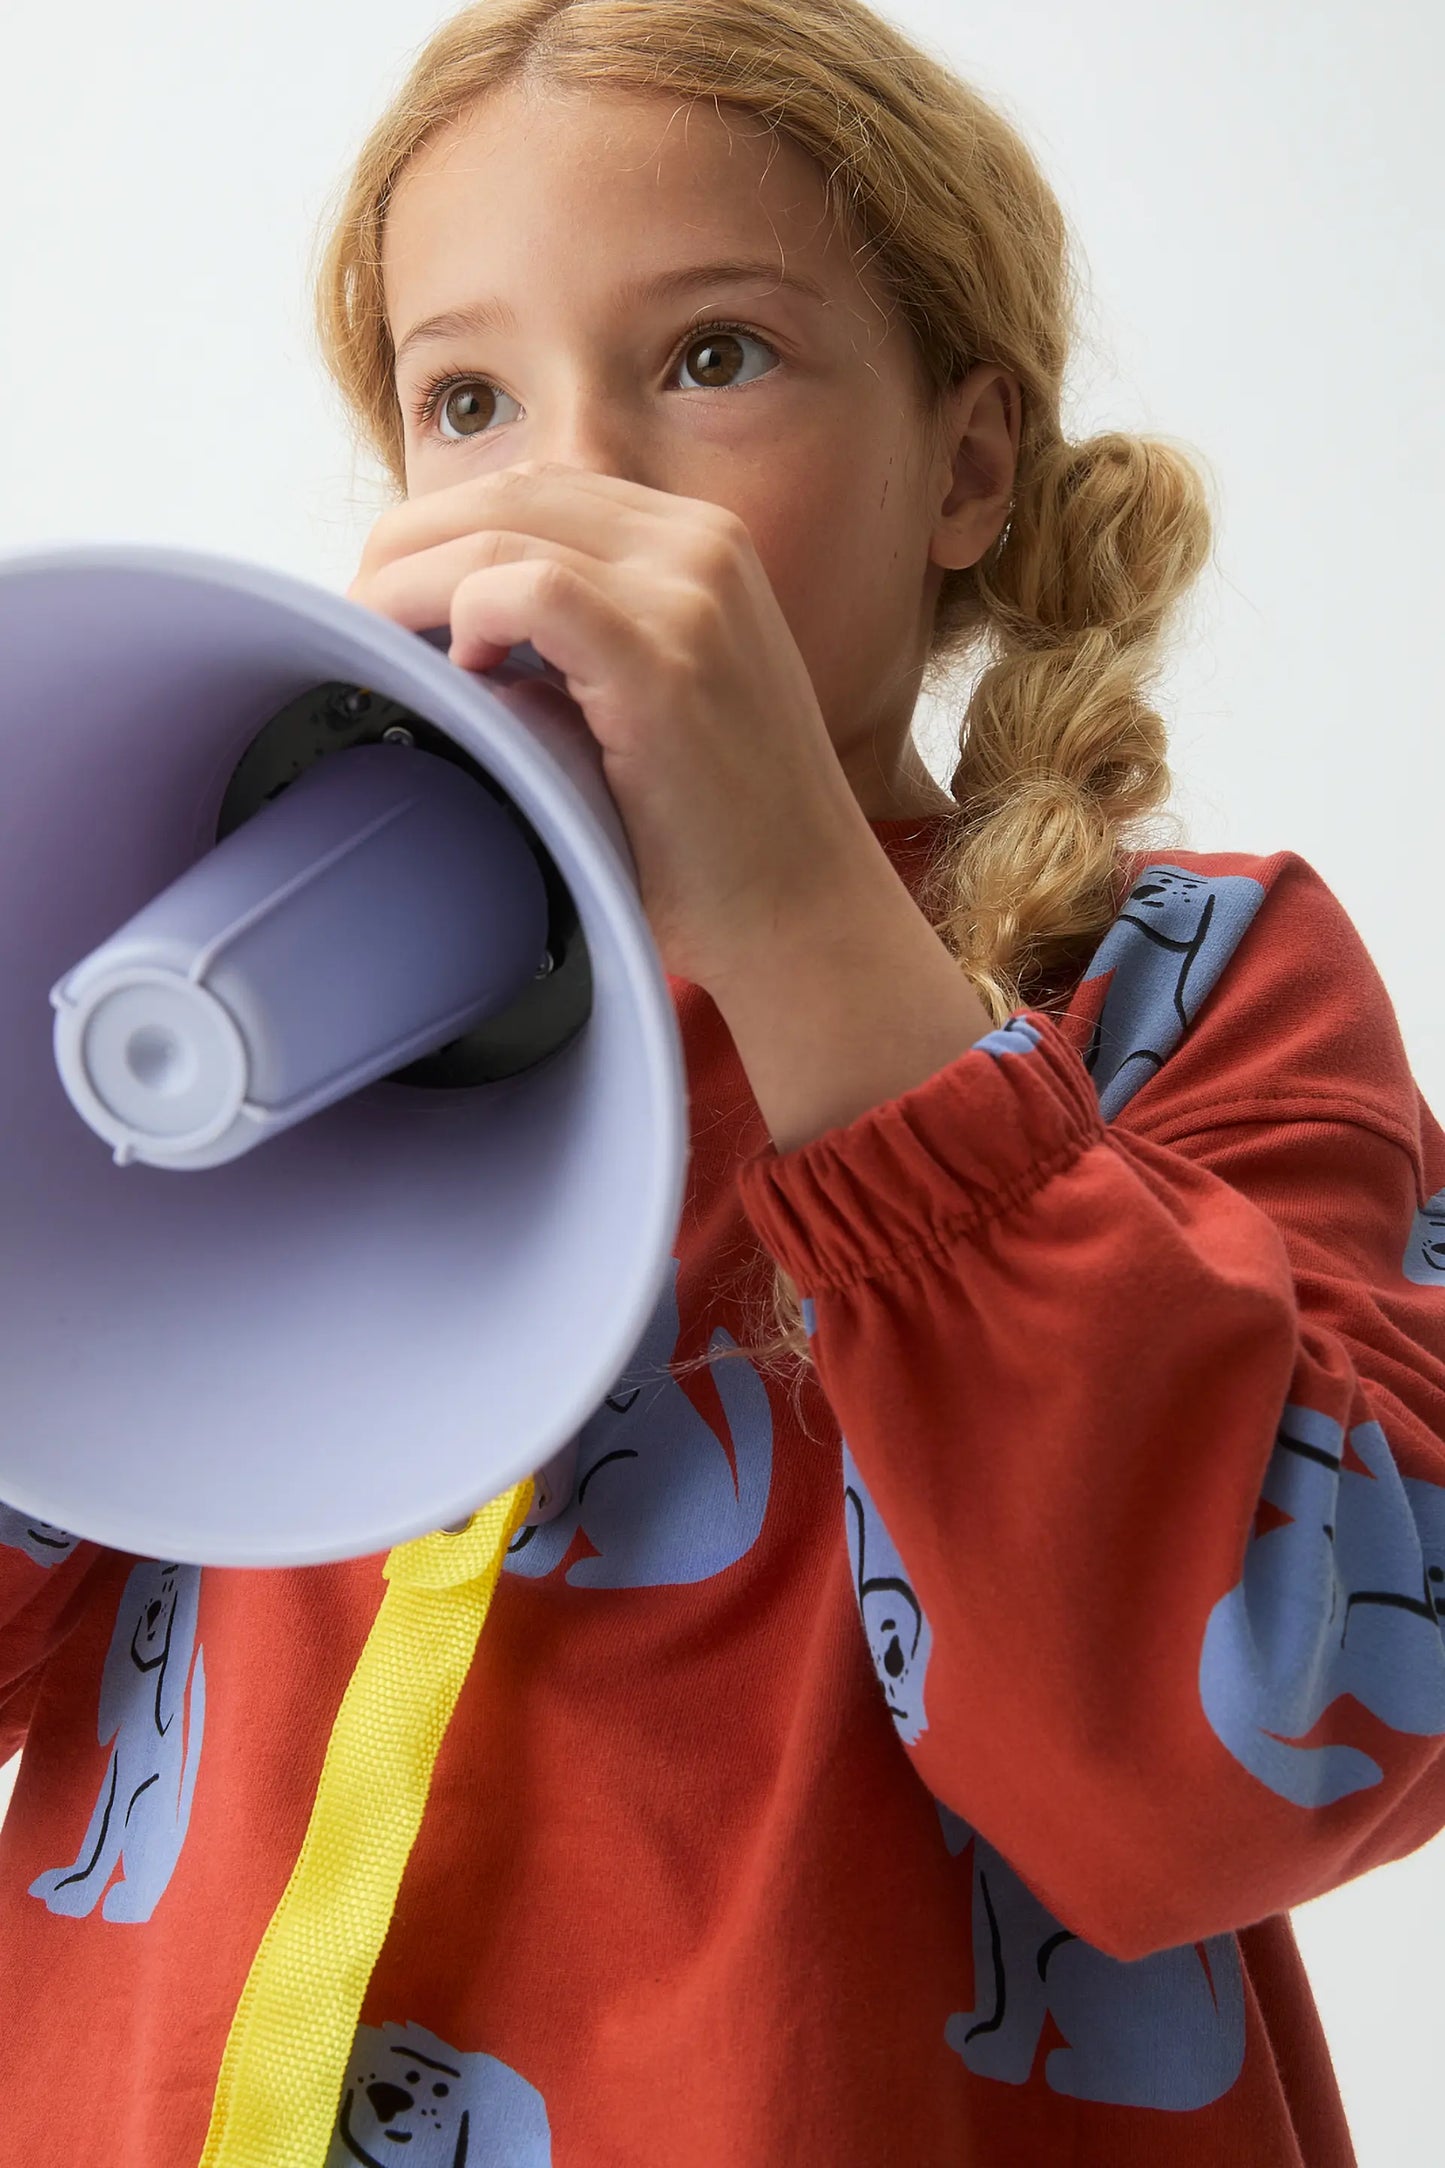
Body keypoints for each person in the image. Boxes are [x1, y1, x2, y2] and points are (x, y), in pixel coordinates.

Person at [2, 3, 1442, 2162]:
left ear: (968, 469)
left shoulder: (1177, 990)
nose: (567, 484)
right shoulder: (250, 1000)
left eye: (709, 360)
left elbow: (1246, 1759)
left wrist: (809, 943)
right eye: (468, 398)